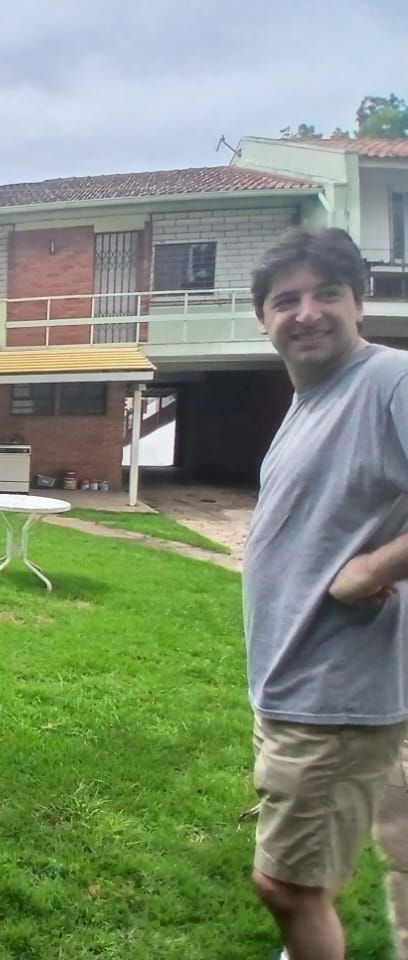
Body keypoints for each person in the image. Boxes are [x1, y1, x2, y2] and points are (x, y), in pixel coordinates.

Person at [243, 226, 408, 960]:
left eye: (326, 294)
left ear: (359, 303)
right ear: (263, 320)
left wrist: (377, 569)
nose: (306, 312)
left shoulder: (389, 381)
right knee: (308, 880)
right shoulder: (312, 399)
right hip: (296, 681)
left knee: (287, 888)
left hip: (334, 694)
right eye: (287, 300)